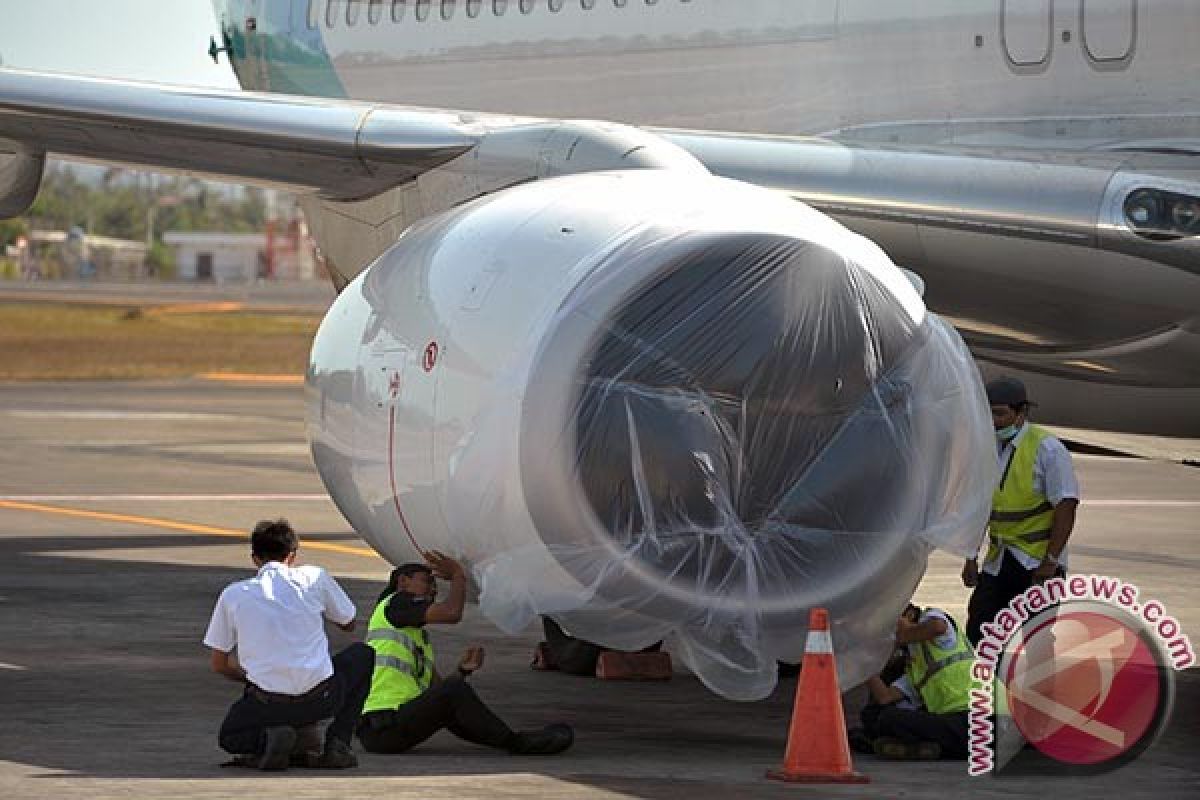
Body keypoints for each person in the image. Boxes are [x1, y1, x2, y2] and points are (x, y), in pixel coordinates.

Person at [357, 553, 574, 755]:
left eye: (435, 585)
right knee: (453, 691)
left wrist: (462, 672)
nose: (433, 590)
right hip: (383, 726)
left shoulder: (412, 638)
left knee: (452, 694)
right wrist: (457, 575)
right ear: (403, 581)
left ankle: (510, 742)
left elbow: (439, 692)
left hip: (389, 727)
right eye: (427, 582)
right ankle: (515, 742)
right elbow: (452, 613)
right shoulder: (396, 602)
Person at [203, 519, 374, 770]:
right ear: (292, 556)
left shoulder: (234, 594)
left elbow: (219, 664)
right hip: (321, 697)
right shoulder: (315, 576)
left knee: (230, 737)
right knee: (363, 654)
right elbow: (348, 622)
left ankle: (270, 739)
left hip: (268, 703)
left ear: (254, 558)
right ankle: (338, 744)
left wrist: (250, 678)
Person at [963, 376, 1080, 644]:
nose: (994, 421)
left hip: (1036, 564)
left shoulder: (1047, 449)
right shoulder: (989, 447)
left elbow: (1066, 506)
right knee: (980, 631)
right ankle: (988, 686)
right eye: (988, 413)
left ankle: (1040, 688)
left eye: (1001, 414)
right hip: (999, 560)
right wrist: (970, 555)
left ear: (1022, 413)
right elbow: (983, 506)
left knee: (1037, 639)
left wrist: (1050, 561)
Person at [851, 604, 973, 760]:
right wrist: (865, 664)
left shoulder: (932, 617)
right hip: (953, 724)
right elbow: (885, 697)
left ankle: (931, 746)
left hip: (980, 718)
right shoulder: (917, 668)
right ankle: (934, 748)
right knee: (886, 718)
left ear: (909, 615)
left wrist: (902, 634)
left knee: (891, 722)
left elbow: (937, 627)